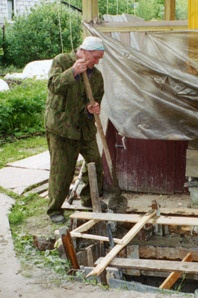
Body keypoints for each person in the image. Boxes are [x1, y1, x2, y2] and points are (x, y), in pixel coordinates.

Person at [45, 36, 106, 224]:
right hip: (62, 127)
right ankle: (54, 208)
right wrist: (72, 72)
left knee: (95, 162)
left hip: (84, 128)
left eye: (99, 59)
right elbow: (53, 85)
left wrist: (92, 108)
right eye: (95, 57)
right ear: (84, 52)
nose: (97, 62)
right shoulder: (62, 62)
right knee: (62, 168)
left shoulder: (95, 76)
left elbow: (95, 99)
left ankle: (90, 199)